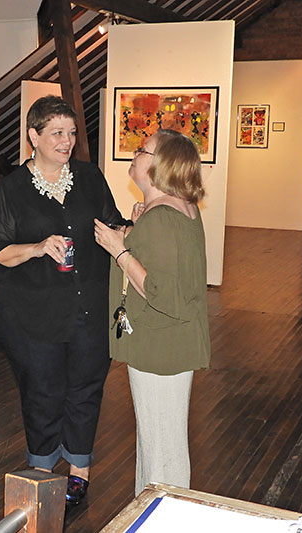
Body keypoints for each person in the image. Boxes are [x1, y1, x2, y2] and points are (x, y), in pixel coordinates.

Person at [0, 95, 126, 506]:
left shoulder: (89, 177)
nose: (67, 141)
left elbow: (109, 225)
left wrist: (128, 229)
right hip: (33, 314)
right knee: (42, 391)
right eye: (57, 133)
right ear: (34, 136)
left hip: (88, 309)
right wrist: (37, 246)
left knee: (85, 388)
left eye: (72, 133)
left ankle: (79, 471)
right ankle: (42, 469)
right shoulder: (10, 190)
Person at [93, 129, 210, 496]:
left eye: (143, 150)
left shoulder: (162, 218)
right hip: (172, 346)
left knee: (160, 447)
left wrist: (118, 249)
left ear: (162, 164)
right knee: (161, 441)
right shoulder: (180, 208)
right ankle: (151, 511)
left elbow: (164, 294)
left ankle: (162, 516)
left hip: (160, 349)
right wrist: (134, 232)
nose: (135, 153)